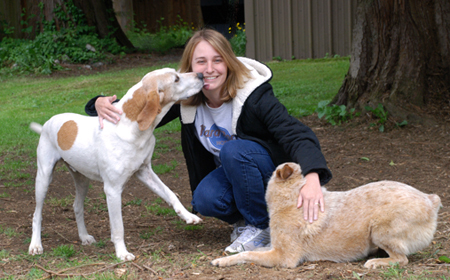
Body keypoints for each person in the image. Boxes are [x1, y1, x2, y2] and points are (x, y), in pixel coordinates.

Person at [85, 28, 332, 253]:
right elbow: (140, 106)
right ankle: (249, 221)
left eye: (217, 60)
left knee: (233, 151)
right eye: (201, 61)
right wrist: (97, 103)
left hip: (271, 176)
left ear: (228, 62)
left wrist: (312, 177)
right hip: (237, 174)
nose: (209, 69)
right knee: (204, 198)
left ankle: (261, 227)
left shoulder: (254, 95)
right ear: (190, 66)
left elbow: (296, 134)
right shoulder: (186, 99)